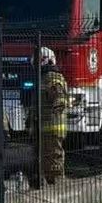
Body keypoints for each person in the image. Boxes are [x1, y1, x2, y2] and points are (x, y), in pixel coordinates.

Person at [39, 46, 69, 185]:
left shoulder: (52, 76)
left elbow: (59, 96)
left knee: (55, 160)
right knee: (47, 160)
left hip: (53, 126)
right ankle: (51, 183)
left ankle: (58, 187)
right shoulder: (43, 77)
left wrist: (57, 106)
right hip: (47, 126)